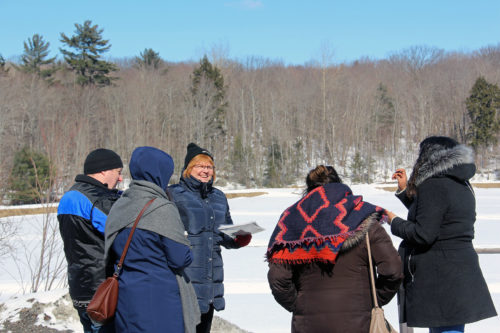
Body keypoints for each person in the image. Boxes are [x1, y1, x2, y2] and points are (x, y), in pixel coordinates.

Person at [266, 165, 403, 333]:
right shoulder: (363, 217)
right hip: (360, 323)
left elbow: (278, 278)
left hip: (308, 325)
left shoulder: (291, 222)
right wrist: (372, 300)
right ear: (339, 183)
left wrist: (300, 305)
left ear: (309, 188)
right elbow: (393, 270)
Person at [386, 136, 497, 333]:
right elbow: (438, 216)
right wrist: (405, 192)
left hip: (440, 274)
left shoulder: (434, 185)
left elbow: (423, 233)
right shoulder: (460, 182)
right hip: (458, 269)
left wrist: (393, 221)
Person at [104, 146, 200, 333]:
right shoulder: (161, 208)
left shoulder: (121, 204)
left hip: (125, 297)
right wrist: (188, 246)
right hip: (160, 300)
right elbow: (180, 258)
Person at [169, 143, 252, 333]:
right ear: (188, 168)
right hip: (184, 280)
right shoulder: (173, 194)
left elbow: (225, 233)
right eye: (200, 166)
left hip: (210, 284)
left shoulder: (219, 197)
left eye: (209, 167)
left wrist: (238, 239)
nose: (205, 171)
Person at [57, 148, 123, 333]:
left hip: (80, 285)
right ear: (103, 170)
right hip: (102, 291)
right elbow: (123, 232)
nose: (119, 178)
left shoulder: (71, 196)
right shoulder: (95, 200)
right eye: (118, 172)